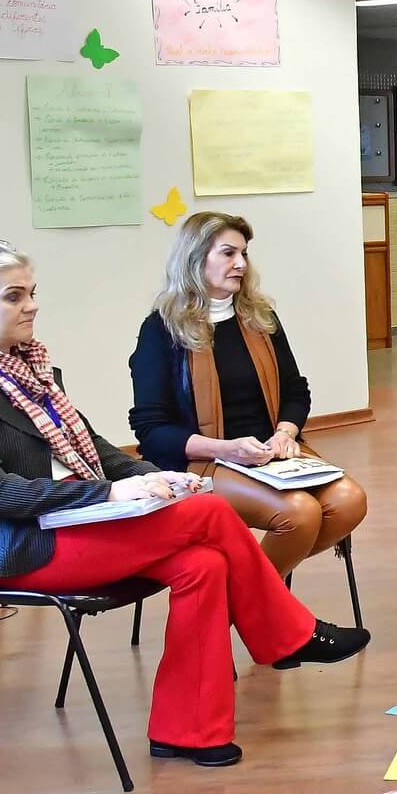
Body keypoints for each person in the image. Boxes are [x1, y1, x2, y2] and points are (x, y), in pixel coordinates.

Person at [0, 241, 368, 768]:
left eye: (32, 293)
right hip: (16, 546)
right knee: (211, 511)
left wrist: (152, 476)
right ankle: (287, 636)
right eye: (14, 296)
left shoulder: (29, 366)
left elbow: (95, 449)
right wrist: (106, 492)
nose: (32, 306)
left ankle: (189, 731)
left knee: (204, 563)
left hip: (74, 521)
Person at [129, 212, 368, 578]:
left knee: (350, 501)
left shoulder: (260, 317)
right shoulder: (161, 330)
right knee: (299, 513)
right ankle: (263, 602)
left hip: (270, 455)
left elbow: (295, 390)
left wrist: (285, 433)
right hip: (205, 462)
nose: (240, 263)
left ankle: (244, 596)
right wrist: (226, 449)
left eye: (244, 254)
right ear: (195, 258)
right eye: (228, 253)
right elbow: (152, 430)